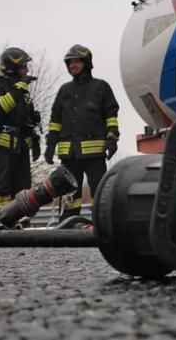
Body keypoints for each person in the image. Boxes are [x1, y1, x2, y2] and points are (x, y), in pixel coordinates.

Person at [43, 44, 120, 220]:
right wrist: (50, 146)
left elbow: (111, 116)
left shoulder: (101, 87)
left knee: (98, 189)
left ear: (87, 63)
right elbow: (55, 121)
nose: (73, 66)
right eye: (70, 63)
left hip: (94, 153)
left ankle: (100, 222)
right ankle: (69, 222)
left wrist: (112, 139)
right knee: (70, 191)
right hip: (69, 154)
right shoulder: (64, 90)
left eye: (77, 62)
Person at [0, 47, 41, 212]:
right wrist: (18, 90)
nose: (27, 70)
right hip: (2, 149)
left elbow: (24, 121)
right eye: (23, 67)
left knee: (23, 190)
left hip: (20, 150)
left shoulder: (22, 91)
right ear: (12, 68)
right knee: (1, 189)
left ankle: (19, 221)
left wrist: (34, 140)